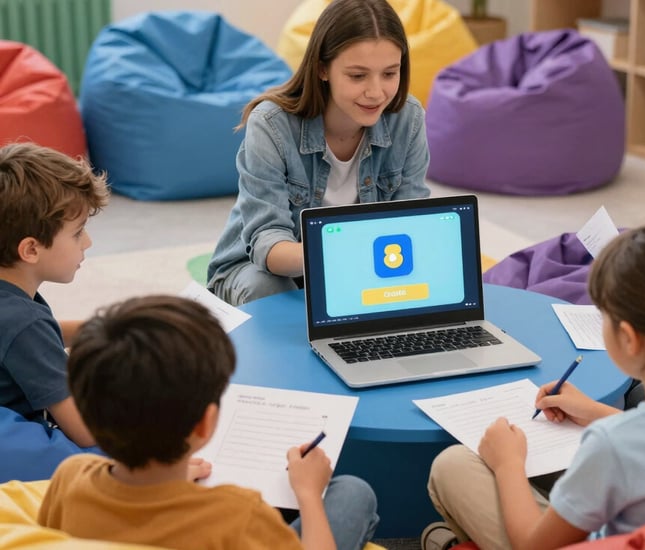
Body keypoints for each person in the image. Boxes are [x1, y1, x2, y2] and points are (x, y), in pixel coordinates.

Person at [425, 223, 645, 550]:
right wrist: (596, 413)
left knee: (453, 464)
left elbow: (534, 544)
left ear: (630, 339)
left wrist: (508, 464)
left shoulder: (612, 447)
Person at [38, 295, 379, 550]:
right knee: (353, 492)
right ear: (205, 424)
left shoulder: (69, 478)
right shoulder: (238, 514)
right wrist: (307, 494)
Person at [207, 0, 430, 305]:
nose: (376, 92)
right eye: (357, 76)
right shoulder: (271, 125)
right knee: (272, 294)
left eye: (389, 74)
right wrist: (352, 254)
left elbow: (411, 221)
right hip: (261, 268)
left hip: (361, 266)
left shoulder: (409, 118)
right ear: (322, 69)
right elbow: (268, 244)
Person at [0, 142, 109, 447]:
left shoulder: (13, 308)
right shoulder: (24, 322)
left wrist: (99, 330)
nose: (86, 242)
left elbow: (23, 342)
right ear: (31, 249)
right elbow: (86, 432)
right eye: (77, 232)